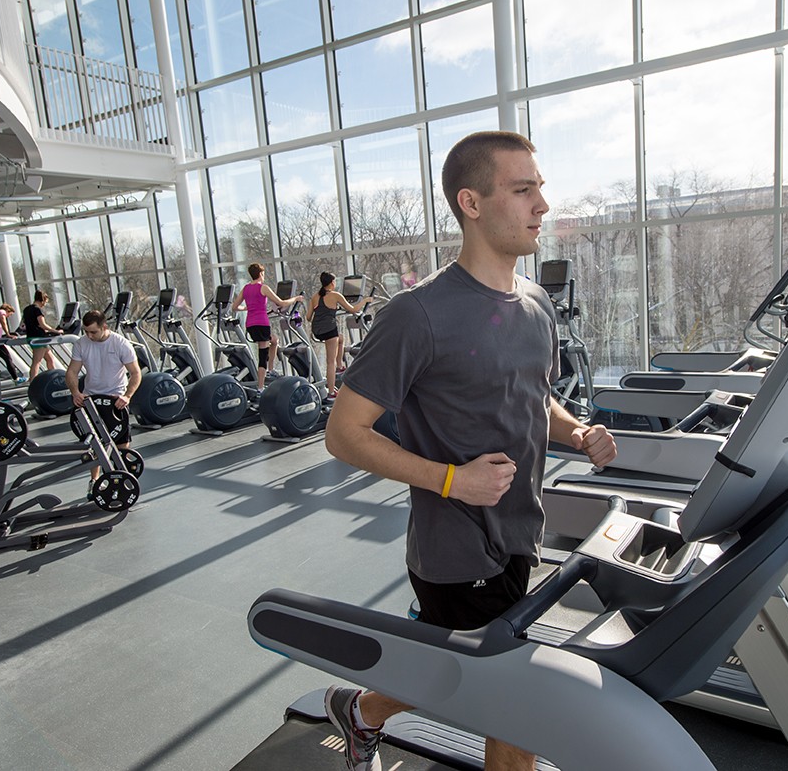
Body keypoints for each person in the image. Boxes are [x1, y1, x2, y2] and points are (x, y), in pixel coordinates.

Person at [321, 131, 617, 771]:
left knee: (446, 672)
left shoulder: (535, 303)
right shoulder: (417, 314)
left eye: (539, 187)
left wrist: (577, 431)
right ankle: (365, 711)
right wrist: (452, 480)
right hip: (456, 548)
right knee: (513, 705)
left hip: (520, 532)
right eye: (523, 189)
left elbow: (535, 398)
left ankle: (361, 711)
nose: (542, 204)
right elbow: (344, 432)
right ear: (472, 203)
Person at [65, 309, 142, 497]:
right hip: (92, 399)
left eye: (93, 332)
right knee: (95, 445)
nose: (89, 335)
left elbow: (135, 373)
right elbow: (72, 372)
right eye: (86, 331)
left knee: (121, 445)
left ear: (104, 327)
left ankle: (122, 481)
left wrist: (127, 396)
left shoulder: (120, 344)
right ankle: (95, 482)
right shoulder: (82, 343)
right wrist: (75, 392)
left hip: (116, 400)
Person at [231, 262, 303, 390]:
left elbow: (234, 307)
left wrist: (246, 308)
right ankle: (260, 387)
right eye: (263, 274)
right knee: (262, 355)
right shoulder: (263, 288)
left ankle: (270, 370)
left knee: (274, 340)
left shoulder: (246, 288)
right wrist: (296, 299)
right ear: (260, 274)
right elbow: (281, 302)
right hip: (261, 323)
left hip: (250, 324)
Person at [305, 271, 373, 401]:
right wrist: (365, 300)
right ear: (332, 283)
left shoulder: (315, 296)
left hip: (317, 330)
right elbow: (353, 309)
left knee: (340, 338)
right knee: (330, 361)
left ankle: (340, 366)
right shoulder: (335, 295)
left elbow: (308, 317)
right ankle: (331, 392)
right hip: (329, 330)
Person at [24, 290, 64, 379]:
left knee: (50, 359)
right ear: (43, 300)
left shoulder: (27, 309)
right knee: (36, 361)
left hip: (31, 336)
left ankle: (54, 378)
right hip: (38, 339)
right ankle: (32, 381)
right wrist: (56, 331)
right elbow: (42, 325)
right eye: (45, 302)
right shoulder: (37, 310)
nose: (44, 305)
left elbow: (25, 324)